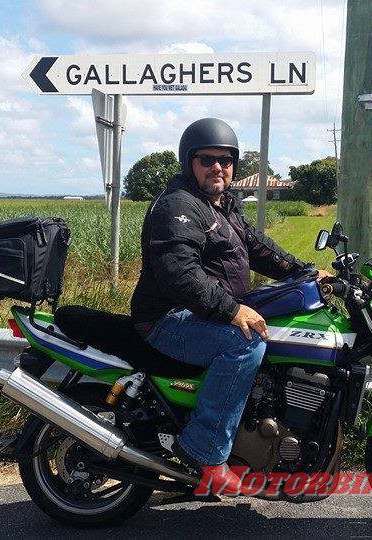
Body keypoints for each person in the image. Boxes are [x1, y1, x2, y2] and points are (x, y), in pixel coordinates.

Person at [130, 118, 326, 493]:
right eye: (206, 159)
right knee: (245, 343)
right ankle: (204, 450)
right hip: (167, 319)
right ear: (190, 162)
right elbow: (179, 274)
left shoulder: (222, 207)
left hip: (200, 312)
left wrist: (308, 273)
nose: (217, 167)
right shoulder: (179, 207)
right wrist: (233, 311)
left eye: (226, 160)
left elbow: (259, 249)